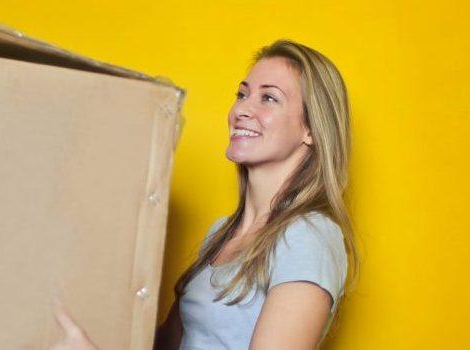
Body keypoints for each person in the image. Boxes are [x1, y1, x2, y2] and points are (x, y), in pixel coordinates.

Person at [49, 39, 359, 350]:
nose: (242, 109)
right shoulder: (220, 235)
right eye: (242, 94)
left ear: (311, 130)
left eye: (268, 98)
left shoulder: (309, 236)